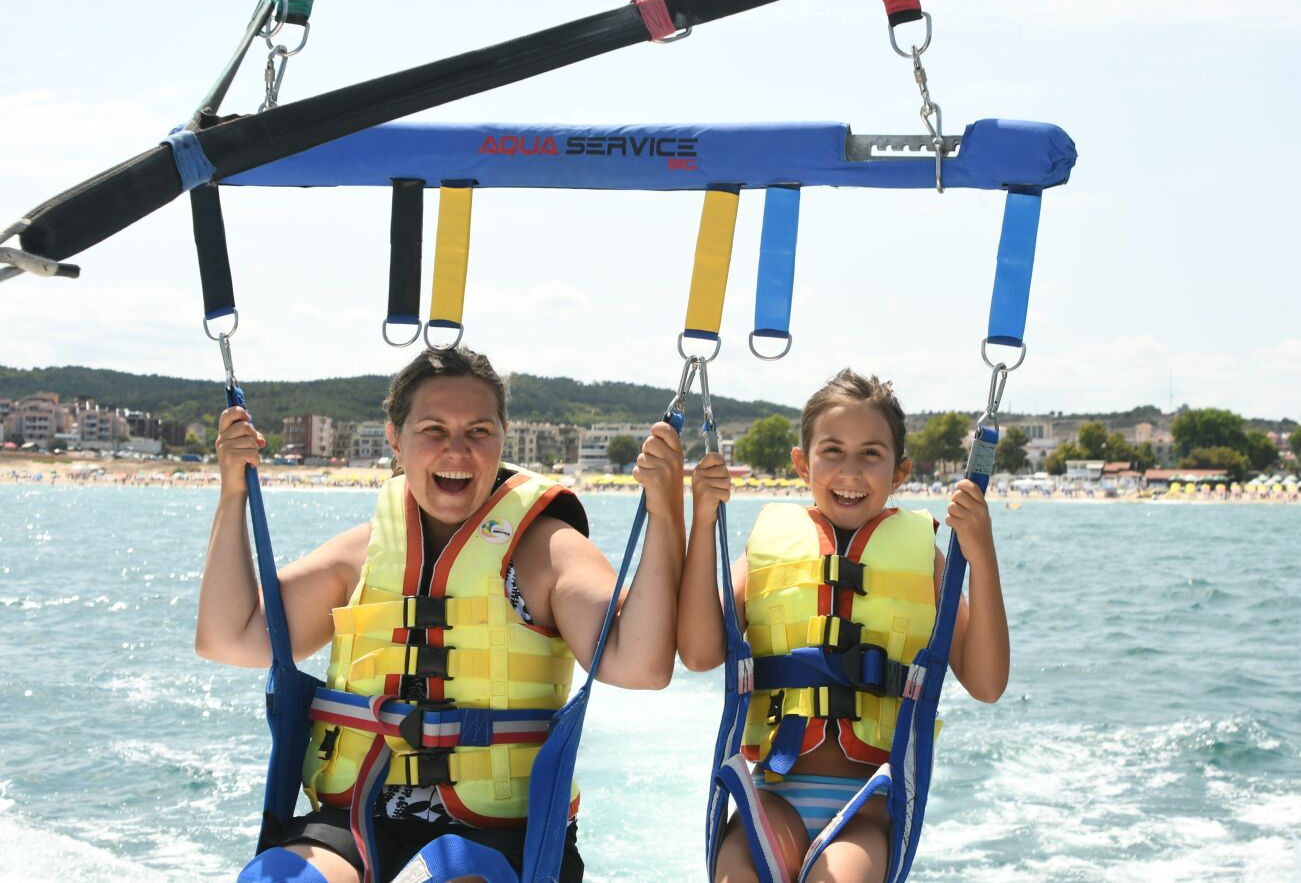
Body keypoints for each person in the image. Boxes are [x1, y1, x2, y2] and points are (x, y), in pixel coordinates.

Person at [197, 346, 686, 883]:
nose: (457, 450)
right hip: (357, 819)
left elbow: (639, 665)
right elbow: (231, 638)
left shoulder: (543, 552)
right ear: (396, 440)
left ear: (503, 438)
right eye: (433, 429)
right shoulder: (363, 556)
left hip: (500, 838)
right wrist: (233, 491)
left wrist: (666, 515)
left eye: (479, 431)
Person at [677, 369, 1010, 883]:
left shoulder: (927, 560)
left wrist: (981, 555)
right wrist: (702, 521)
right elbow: (699, 653)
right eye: (831, 450)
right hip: (772, 795)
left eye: (871, 454)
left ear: (900, 472)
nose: (850, 471)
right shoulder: (768, 548)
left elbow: (986, 684)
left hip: (867, 805)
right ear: (800, 462)